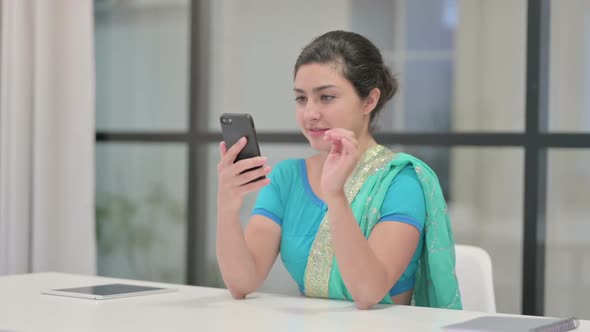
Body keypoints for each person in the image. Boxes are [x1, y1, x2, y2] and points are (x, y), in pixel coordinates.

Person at [216, 30, 462, 310]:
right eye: (301, 98)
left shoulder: (400, 182)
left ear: (369, 101)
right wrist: (227, 207)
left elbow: (368, 293)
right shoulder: (287, 178)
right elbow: (242, 283)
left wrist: (336, 196)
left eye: (327, 97)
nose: (310, 113)